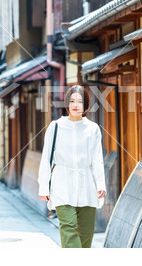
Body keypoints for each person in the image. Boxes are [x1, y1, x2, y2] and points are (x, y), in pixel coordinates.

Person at [38, 85, 107, 248]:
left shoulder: (93, 129)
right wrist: (44, 187)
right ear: (67, 103)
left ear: (86, 105)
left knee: (86, 234)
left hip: (87, 185)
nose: (75, 105)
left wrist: (100, 184)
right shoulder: (55, 127)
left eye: (80, 101)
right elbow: (46, 159)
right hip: (62, 183)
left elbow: (97, 159)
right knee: (68, 229)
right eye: (72, 101)